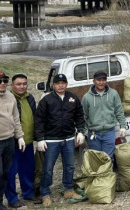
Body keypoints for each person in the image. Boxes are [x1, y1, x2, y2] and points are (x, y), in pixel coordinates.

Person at [34, 74, 86, 207]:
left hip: (68, 139)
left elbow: (79, 115)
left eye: (63, 83)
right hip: (51, 141)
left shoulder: (72, 98)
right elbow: (39, 120)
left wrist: (80, 131)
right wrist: (40, 139)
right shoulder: (47, 100)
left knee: (69, 166)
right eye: (58, 83)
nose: (61, 85)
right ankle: (45, 193)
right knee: (48, 168)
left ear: (67, 84)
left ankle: (69, 190)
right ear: (53, 85)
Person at [0, 71, 25, 210]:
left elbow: (15, 117)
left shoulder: (10, 96)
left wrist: (19, 136)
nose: (2, 83)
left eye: (5, 80)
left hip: (9, 140)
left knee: (7, 172)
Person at [6, 74, 42, 207]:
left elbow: (36, 117)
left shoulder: (30, 98)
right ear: (12, 85)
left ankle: (28, 193)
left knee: (27, 169)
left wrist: (38, 138)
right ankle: (12, 198)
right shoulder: (8, 99)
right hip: (13, 143)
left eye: (24, 83)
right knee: (11, 171)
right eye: (18, 84)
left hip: (28, 142)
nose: (22, 86)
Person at [81, 70, 126, 161]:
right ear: (94, 81)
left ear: (106, 81)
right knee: (96, 159)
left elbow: (119, 111)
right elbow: (83, 116)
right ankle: (98, 175)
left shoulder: (113, 93)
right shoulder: (87, 97)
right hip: (93, 133)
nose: (101, 82)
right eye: (99, 80)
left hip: (109, 133)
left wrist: (123, 126)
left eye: (103, 80)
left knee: (108, 158)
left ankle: (108, 175)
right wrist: (83, 132)